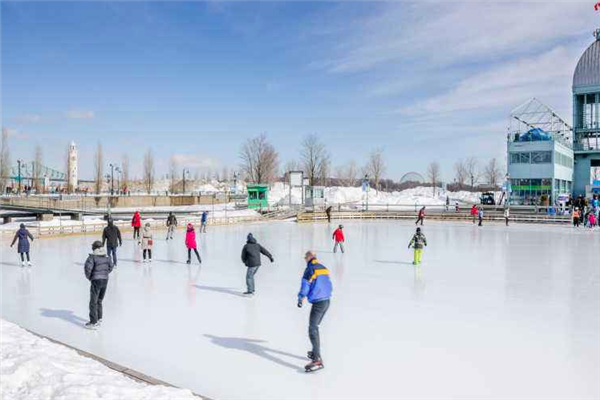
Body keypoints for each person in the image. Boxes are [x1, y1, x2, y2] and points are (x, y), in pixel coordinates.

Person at [297, 251, 332, 373]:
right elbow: (328, 283)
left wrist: (300, 298)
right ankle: (315, 351)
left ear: (308, 257)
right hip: (327, 301)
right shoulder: (323, 268)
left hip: (318, 303)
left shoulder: (310, 269)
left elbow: (305, 286)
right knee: (315, 327)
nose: (304, 259)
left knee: (313, 328)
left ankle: (317, 359)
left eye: (305, 257)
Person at [84, 240, 114, 329]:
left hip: (96, 280)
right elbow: (111, 267)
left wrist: (91, 277)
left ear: (94, 248)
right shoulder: (107, 257)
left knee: (93, 301)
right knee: (99, 300)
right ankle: (99, 318)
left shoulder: (92, 257)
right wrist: (105, 274)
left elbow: (87, 269)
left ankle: (93, 322)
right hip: (105, 280)